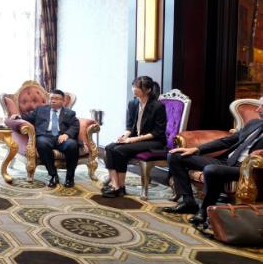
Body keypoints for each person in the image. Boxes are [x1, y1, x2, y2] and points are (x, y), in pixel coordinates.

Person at [166, 95, 263, 228]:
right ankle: (188, 202)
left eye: (262, 106)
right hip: (227, 162)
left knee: (211, 169)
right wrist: (196, 149)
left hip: (246, 169)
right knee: (175, 156)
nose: (257, 109)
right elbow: (228, 140)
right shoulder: (254, 123)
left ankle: (205, 211)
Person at [101, 76, 167, 198]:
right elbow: (130, 126)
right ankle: (116, 185)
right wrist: (124, 136)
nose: (134, 89)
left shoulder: (158, 106)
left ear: (148, 90)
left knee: (119, 150)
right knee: (109, 148)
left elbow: (158, 132)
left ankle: (120, 187)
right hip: (135, 138)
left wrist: (133, 139)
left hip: (154, 141)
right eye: (133, 86)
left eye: (138, 87)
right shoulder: (133, 104)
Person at [14, 89, 80, 188]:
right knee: (41, 143)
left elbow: (75, 125)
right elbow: (27, 117)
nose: (53, 100)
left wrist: (67, 134)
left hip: (61, 137)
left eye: (57, 98)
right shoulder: (40, 110)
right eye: (51, 98)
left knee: (72, 145)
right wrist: (17, 116)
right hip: (45, 136)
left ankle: (70, 178)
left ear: (63, 101)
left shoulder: (69, 113)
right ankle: (53, 175)